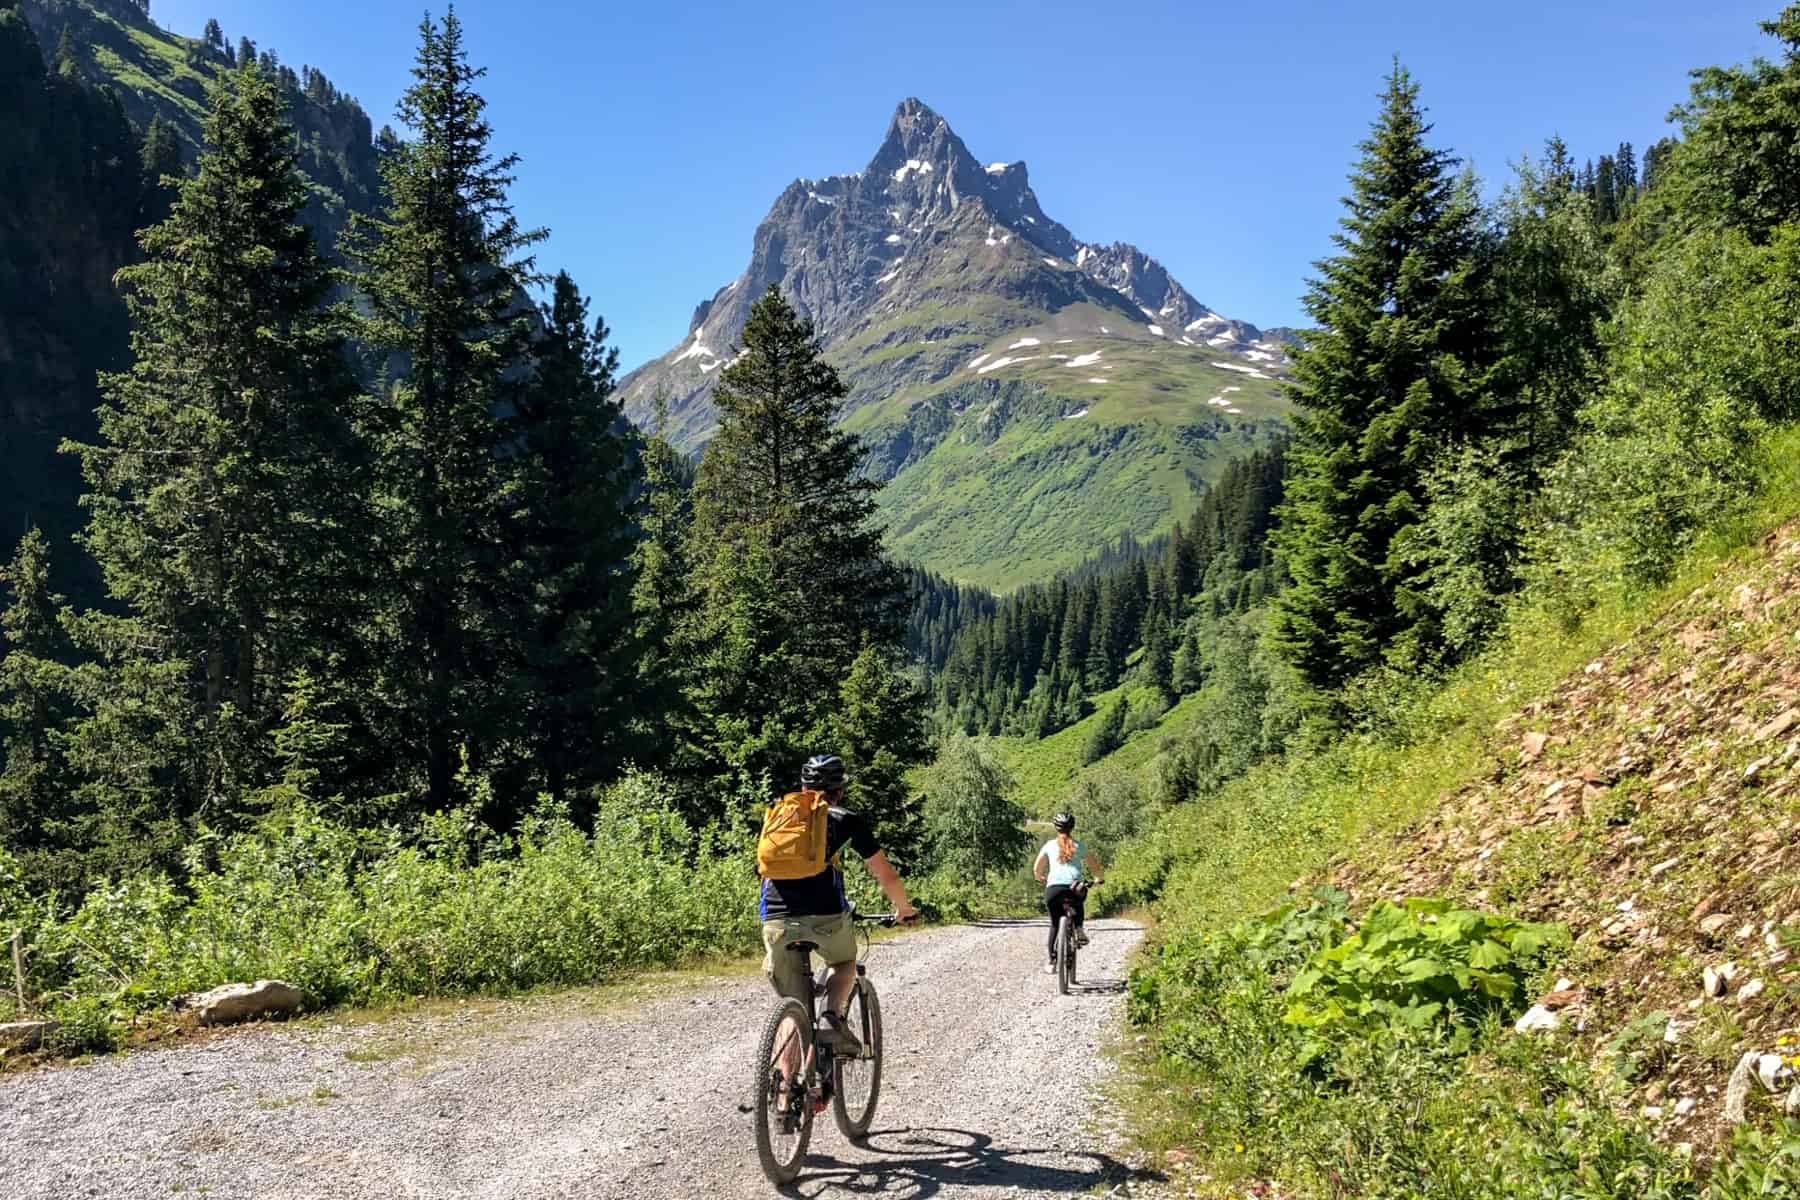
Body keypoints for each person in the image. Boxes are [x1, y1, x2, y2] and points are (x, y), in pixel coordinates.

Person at [759, 754, 918, 1056]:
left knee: (794, 1012)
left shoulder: (779, 816)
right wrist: (903, 909)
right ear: (840, 790)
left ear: (803, 787)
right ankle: (832, 1017)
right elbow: (885, 873)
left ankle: (783, 1095)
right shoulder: (844, 819)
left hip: (775, 917)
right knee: (844, 964)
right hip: (825, 915)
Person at [1033, 811, 1103, 974]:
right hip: (1074, 888)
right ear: (1072, 827)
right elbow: (1095, 868)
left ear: (1056, 828)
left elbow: (1037, 869)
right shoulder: (1080, 846)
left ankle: (1051, 961)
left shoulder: (1049, 845)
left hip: (1053, 890)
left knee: (1055, 925)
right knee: (1079, 900)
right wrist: (1098, 879)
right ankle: (1078, 927)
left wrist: (1041, 878)